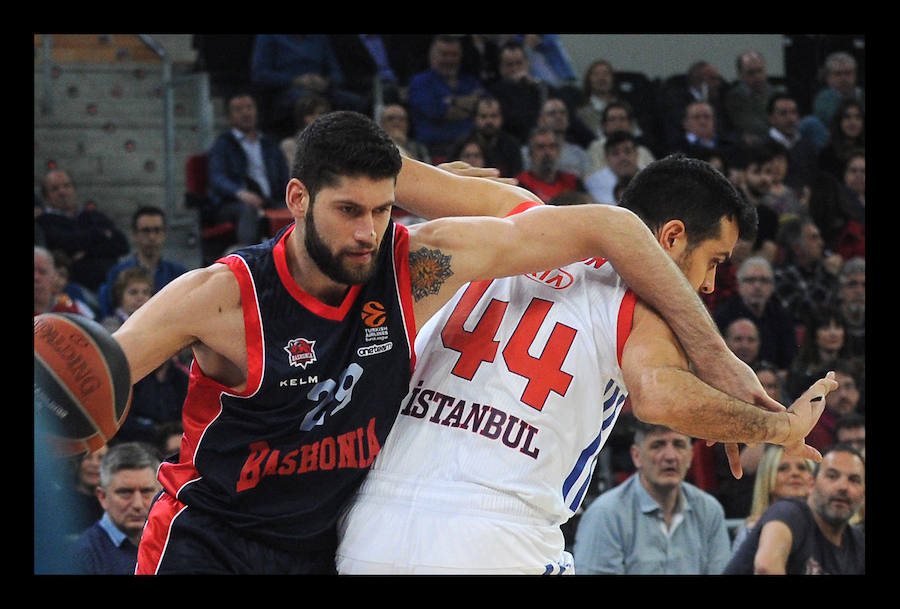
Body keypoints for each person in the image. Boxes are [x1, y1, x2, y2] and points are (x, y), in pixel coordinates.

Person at [114, 112, 779, 575]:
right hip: (214, 537)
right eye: (350, 211)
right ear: (297, 199)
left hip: (332, 543)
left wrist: (459, 190)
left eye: (380, 211)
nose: (367, 232)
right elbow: (99, 369)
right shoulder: (224, 296)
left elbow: (600, 226)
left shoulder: (415, 264)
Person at [335, 153, 837, 575]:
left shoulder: (517, 214)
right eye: (714, 261)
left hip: (368, 526)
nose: (709, 285)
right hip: (502, 536)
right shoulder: (642, 308)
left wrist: (438, 179)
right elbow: (661, 397)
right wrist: (775, 426)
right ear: (673, 237)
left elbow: (372, 164)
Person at [572, 422, 732, 574]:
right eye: (657, 445)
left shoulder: (709, 511)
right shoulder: (606, 514)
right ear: (636, 456)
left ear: (690, 456)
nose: (670, 456)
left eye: (679, 445)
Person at [724, 442, 864, 574]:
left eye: (854, 480)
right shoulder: (789, 512)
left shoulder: (857, 542)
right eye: (832, 476)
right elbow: (766, 567)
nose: (843, 487)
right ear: (811, 484)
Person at [207, 92, 291, 247]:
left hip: (271, 200)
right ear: (230, 116)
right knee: (248, 209)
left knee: (298, 210)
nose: (245, 113)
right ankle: (250, 258)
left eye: (249, 107)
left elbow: (284, 176)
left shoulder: (269, 144)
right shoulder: (223, 145)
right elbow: (217, 178)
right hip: (233, 204)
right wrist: (241, 193)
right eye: (238, 109)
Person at [71, 442, 161, 574]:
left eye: (146, 491)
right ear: (102, 497)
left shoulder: (177, 543)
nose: (137, 504)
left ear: (160, 494)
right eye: (125, 492)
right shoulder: (81, 556)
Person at [35, 169, 129, 292]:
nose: (62, 192)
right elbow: (65, 244)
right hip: (72, 289)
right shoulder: (43, 222)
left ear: (74, 189)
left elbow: (122, 244)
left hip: (110, 287)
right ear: (46, 197)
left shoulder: (93, 215)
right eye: (55, 189)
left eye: (66, 186)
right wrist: (100, 236)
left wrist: (85, 252)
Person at [250, 34, 366, 132]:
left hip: (321, 89)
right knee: (308, 102)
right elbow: (260, 75)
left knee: (356, 102)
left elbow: (337, 73)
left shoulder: (319, 37)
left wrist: (326, 82)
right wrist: (295, 81)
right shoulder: (268, 37)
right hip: (286, 91)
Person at [97, 205, 189, 319]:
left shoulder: (179, 274)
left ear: (164, 234)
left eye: (157, 230)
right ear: (134, 235)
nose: (152, 237)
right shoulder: (116, 273)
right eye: (146, 231)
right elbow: (109, 313)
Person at [713, 256, 798, 373]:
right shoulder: (722, 317)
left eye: (764, 281)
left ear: (772, 286)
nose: (757, 286)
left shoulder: (782, 317)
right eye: (750, 280)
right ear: (739, 285)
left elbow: (787, 365)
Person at [407, 35, 486, 159]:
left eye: (454, 54)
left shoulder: (470, 82)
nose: (449, 60)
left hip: (471, 151)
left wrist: (451, 101)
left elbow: (483, 107)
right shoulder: (420, 83)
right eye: (444, 54)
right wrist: (467, 106)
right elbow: (438, 112)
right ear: (432, 57)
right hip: (433, 151)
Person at [730, 444, 816, 552]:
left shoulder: (827, 526)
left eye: (802, 468)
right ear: (767, 477)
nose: (795, 473)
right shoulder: (751, 530)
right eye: (783, 468)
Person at [773, 216, 842, 329]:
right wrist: (829, 277)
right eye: (814, 238)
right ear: (797, 248)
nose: (821, 243)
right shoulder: (780, 277)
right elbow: (811, 314)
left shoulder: (822, 270)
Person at [660, 60, 729, 151]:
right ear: (697, 80)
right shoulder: (676, 101)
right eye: (712, 79)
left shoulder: (719, 100)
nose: (718, 83)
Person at [489, 39, 546, 144]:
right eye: (509, 65)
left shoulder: (538, 87)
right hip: (515, 143)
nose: (515, 69)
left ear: (527, 64)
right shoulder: (495, 93)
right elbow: (516, 122)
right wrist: (517, 88)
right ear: (500, 68)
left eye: (519, 63)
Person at [724, 50, 785, 145]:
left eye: (760, 71)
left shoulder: (776, 92)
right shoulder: (736, 97)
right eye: (751, 73)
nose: (757, 76)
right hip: (762, 140)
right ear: (741, 75)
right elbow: (752, 126)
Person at [520, 97, 590, 179]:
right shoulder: (525, 153)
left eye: (563, 113)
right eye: (552, 113)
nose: (559, 117)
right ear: (540, 120)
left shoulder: (579, 154)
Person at [765, 93, 819, 193]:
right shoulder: (761, 147)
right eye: (783, 113)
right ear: (771, 118)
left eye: (793, 112)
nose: (790, 118)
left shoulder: (808, 146)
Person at [515, 126, 585, 203]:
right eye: (540, 147)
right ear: (530, 153)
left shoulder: (572, 182)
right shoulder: (520, 184)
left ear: (559, 151)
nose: (547, 152)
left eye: (552, 147)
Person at [804, 360, 862, 453]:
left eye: (848, 386)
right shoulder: (811, 430)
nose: (843, 395)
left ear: (858, 391)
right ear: (824, 393)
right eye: (835, 389)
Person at [585, 100, 656, 176]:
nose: (618, 124)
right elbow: (593, 178)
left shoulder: (642, 151)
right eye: (612, 119)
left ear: (630, 124)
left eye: (622, 119)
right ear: (604, 125)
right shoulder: (595, 148)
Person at [459, 96, 522, 178]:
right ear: (475, 118)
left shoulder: (511, 146)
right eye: (483, 116)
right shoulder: (463, 144)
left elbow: (516, 176)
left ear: (501, 118)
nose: (489, 121)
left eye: (493, 116)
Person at [584, 130, 641, 204]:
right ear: (606, 159)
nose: (623, 157)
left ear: (637, 154)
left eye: (628, 151)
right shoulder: (594, 182)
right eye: (615, 153)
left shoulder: (650, 177)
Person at [812, 51, 865, 129]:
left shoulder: (862, 95)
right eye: (838, 74)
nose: (844, 78)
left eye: (848, 73)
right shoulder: (823, 98)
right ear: (828, 78)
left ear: (855, 75)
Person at [279, 93, 332, 169]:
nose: (316, 118)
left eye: (321, 113)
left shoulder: (334, 144)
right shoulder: (289, 145)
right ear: (301, 117)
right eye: (310, 114)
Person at [817, 98, 865, 181]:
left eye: (858, 118)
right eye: (847, 117)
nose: (853, 122)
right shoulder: (826, 155)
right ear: (839, 122)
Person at [100, 266, 154, 333]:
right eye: (133, 292)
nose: (140, 297)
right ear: (120, 296)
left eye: (145, 292)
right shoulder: (110, 325)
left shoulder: (155, 323)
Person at [831, 257, 864, 358]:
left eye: (864, 285)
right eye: (852, 284)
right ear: (840, 291)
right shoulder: (829, 322)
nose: (859, 291)